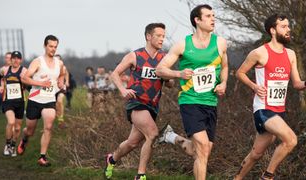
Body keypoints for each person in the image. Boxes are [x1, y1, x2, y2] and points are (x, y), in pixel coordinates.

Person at [155, 4, 228, 180]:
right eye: (208, 16)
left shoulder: (220, 42)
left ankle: (171, 137)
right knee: (203, 146)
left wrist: (224, 83)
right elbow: (160, 69)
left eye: (213, 16)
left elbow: (224, 66)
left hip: (210, 102)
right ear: (197, 20)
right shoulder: (182, 45)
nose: (213, 19)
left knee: (203, 151)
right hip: (190, 101)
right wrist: (178, 73)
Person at [234, 14, 301, 180]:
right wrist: (254, 86)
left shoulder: (291, 54)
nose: (288, 29)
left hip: (279, 110)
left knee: (256, 153)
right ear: (272, 30)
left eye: (288, 26)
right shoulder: (259, 53)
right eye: (283, 27)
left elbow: (297, 83)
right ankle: (267, 177)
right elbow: (240, 73)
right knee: (291, 140)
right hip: (263, 109)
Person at [104, 23, 173, 180]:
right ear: (149, 36)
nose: (162, 39)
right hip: (136, 103)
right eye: (159, 36)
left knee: (132, 143)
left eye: (164, 36)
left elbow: (170, 84)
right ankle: (140, 175)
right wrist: (123, 90)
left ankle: (112, 158)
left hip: (152, 105)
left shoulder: (164, 58)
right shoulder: (135, 56)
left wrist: (167, 78)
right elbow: (115, 74)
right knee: (153, 133)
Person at [19, 35, 64, 166]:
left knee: (49, 126)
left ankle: (42, 157)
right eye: (51, 46)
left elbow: (61, 73)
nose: (53, 49)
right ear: (45, 46)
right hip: (35, 99)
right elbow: (25, 78)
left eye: (55, 47)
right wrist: (40, 83)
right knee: (30, 130)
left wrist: (60, 81)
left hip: (49, 99)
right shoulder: (37, 61)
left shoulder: (59, 63)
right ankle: (25, 138)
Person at [0, 51, 27, 157]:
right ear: (11, 60)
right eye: (14, 58)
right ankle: (7, 145)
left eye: (18, 58)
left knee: (18, 128)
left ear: (21, 60)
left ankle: (13, 146)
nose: (15, 60)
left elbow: (29, 82)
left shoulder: (24, 71)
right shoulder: (5, 70)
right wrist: (1, 85)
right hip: (8, 101)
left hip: (20, 102)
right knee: (11, 122)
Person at [54, 54, 69, 129]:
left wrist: (67, 81)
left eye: (59, 59)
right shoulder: (50, 68)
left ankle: (61, 120)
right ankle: (59, 119)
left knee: (59, 101)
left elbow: (67, 73)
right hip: (53, 88)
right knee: (55, 106)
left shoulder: (63, 67)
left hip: (61, 87)